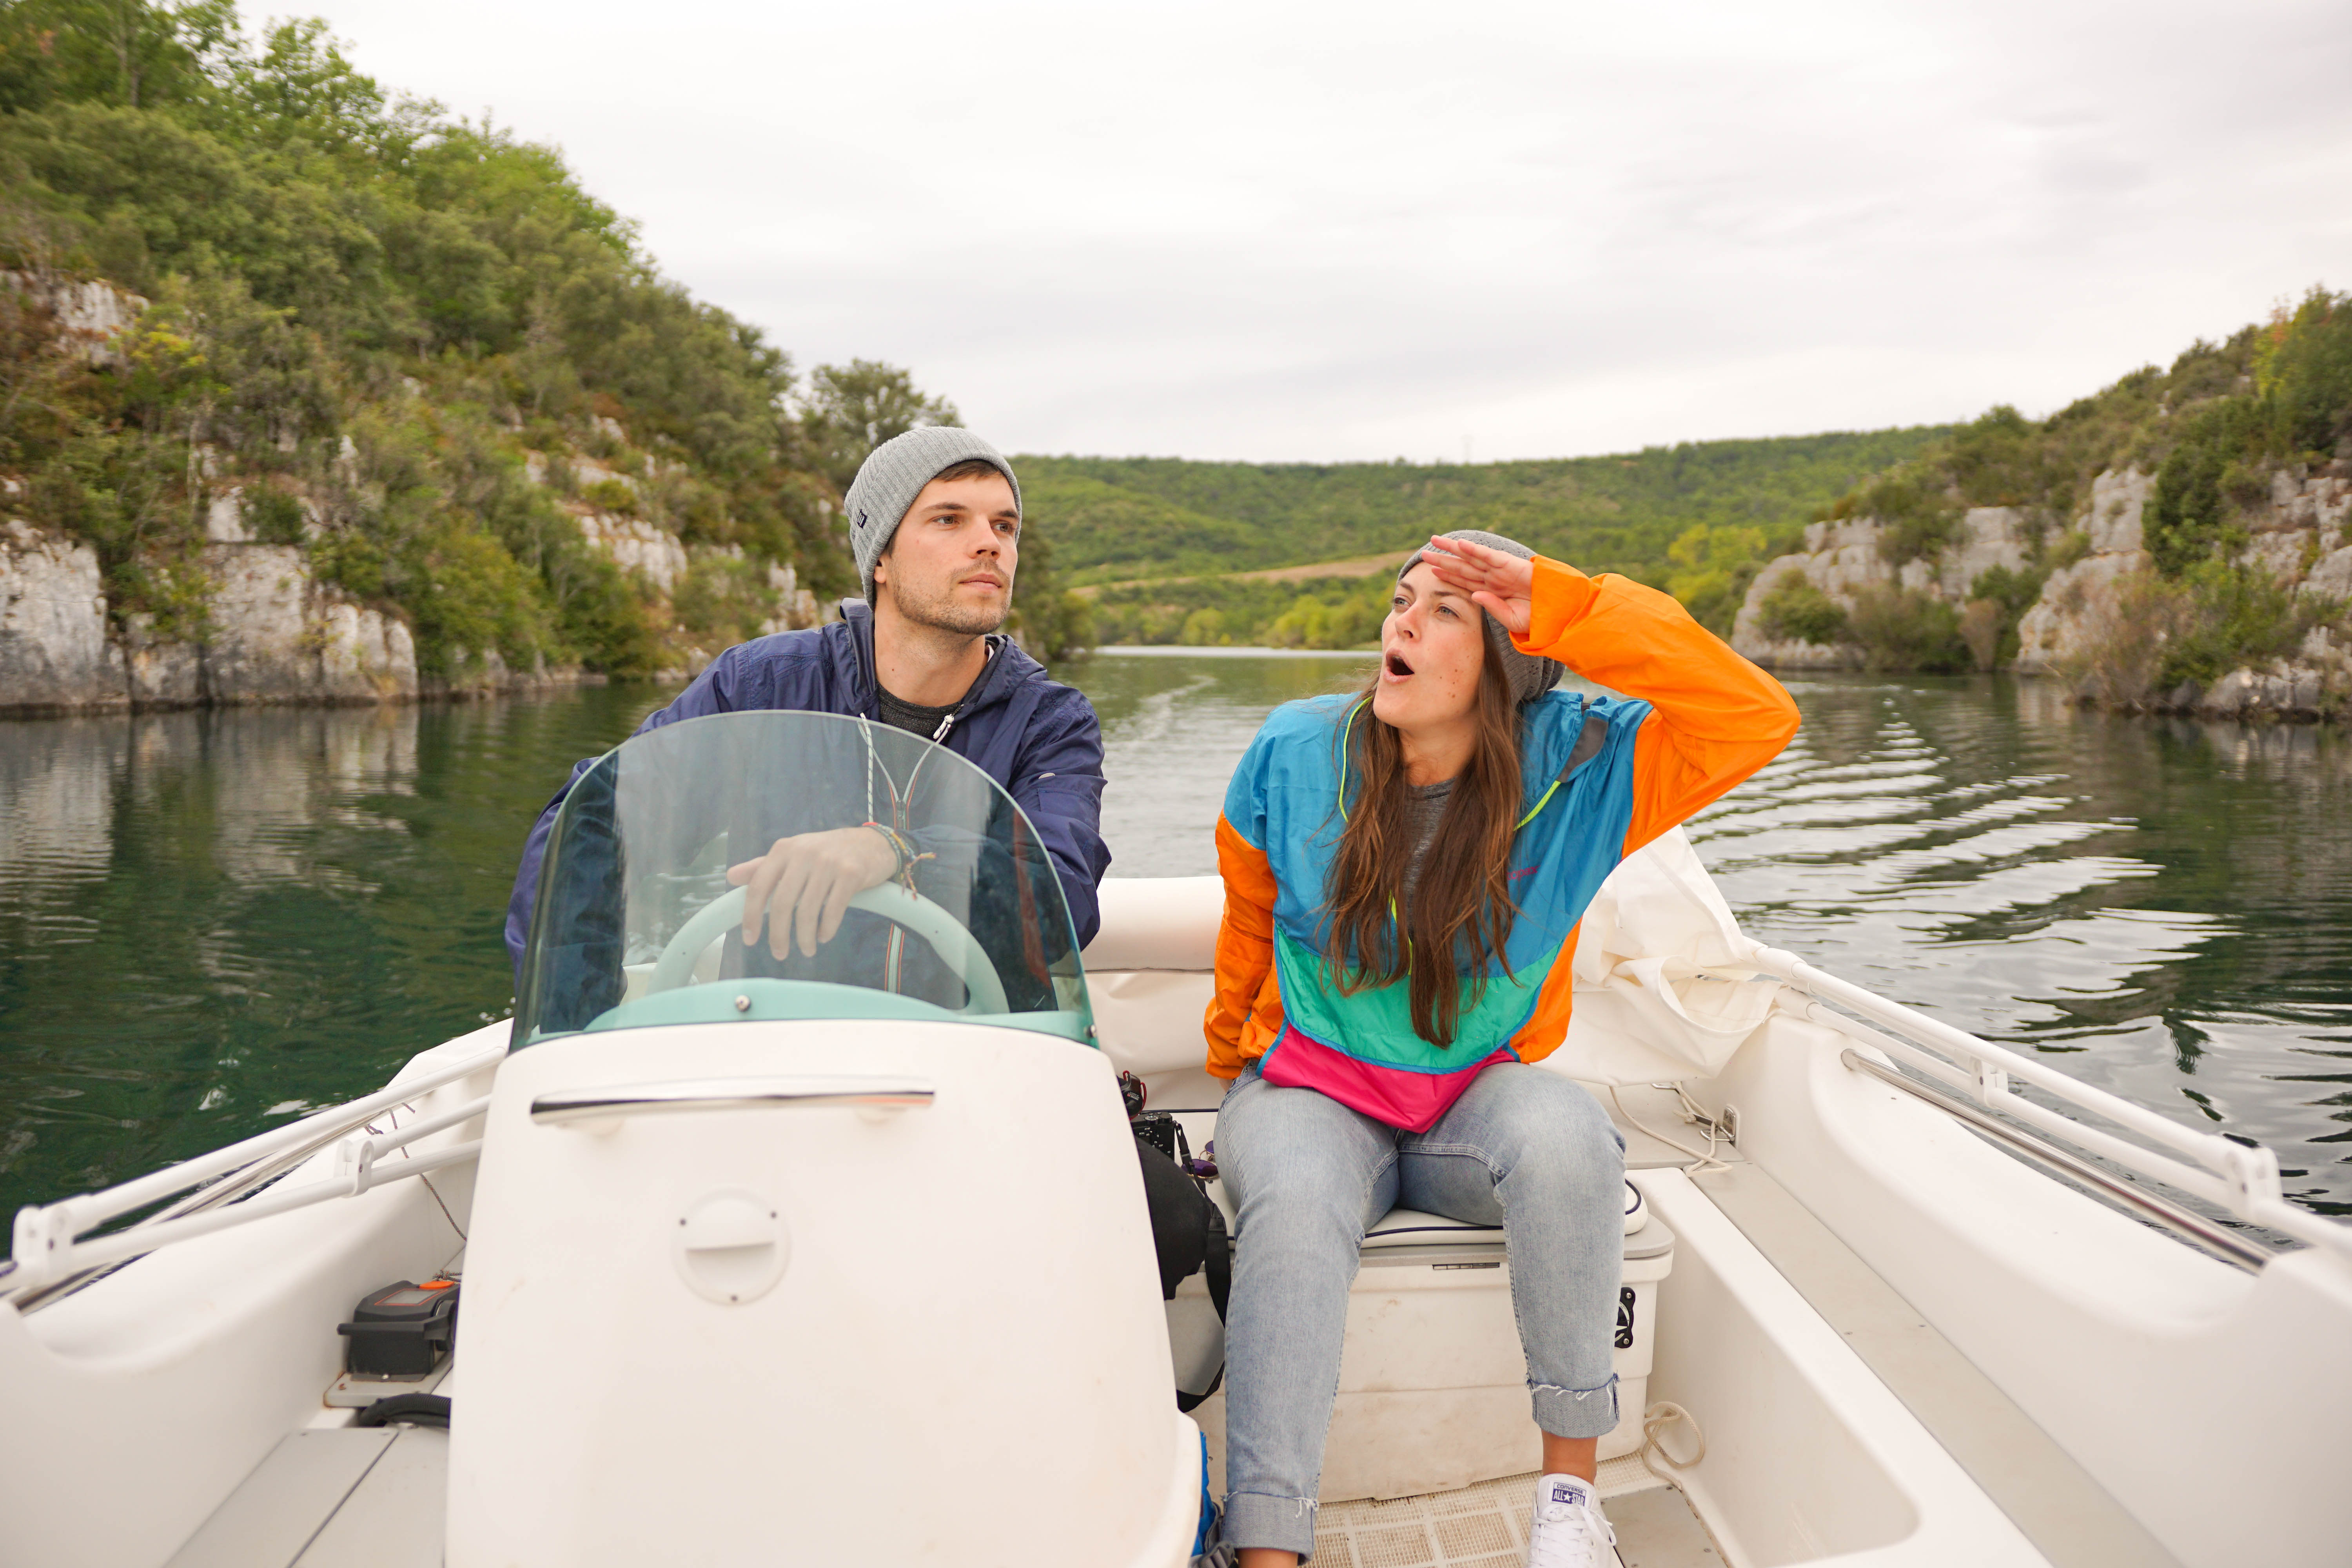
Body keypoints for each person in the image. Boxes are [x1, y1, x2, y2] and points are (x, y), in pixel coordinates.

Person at [1203, 531, 1798, 1567]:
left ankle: (1568, 1505)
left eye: (1445, 613)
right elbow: (1248, 927)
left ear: (1513, 663)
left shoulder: (1585, 764)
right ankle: (1267, 1548)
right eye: (1402, 600)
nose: (1404, 621)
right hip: (1308, 1090)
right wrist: (1234, 1064)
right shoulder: (1296, 750)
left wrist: (1563, 603)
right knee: (1296, 1207)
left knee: (1574, 1141)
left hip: (1473, 1099)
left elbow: (1756, 716)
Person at [504, 426, 1112, 984]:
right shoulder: (762, 686)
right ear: (881, 558)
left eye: (1004, 527)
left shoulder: (1050, 722)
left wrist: (895, 851)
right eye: (950, 519)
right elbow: (592, 827)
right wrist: (581, 1024)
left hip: (972, 1057)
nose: (989, 544)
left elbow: (1062, 897)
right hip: (783, 1052)